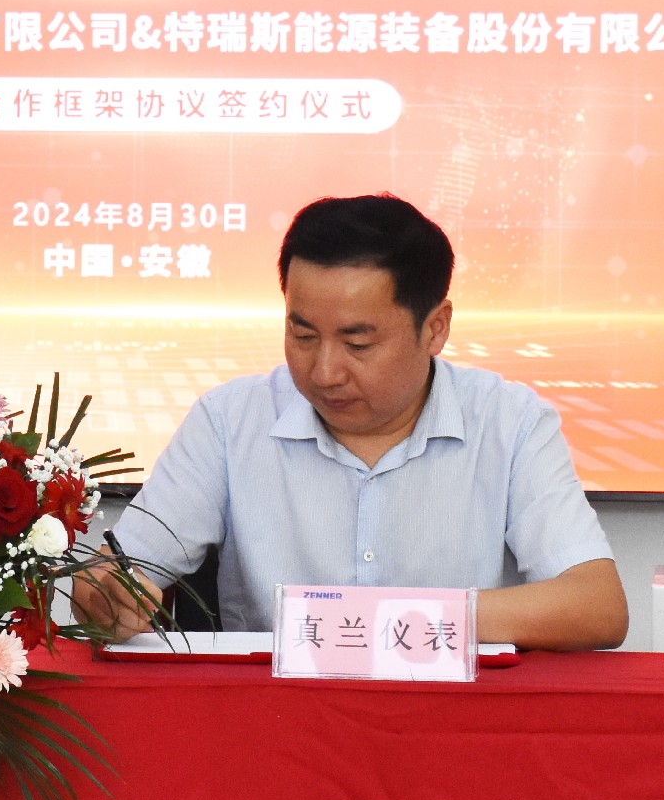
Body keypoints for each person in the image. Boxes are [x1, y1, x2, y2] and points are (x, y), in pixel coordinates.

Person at [73, 193, 628, 650]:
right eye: (302, 335)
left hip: (451, 722)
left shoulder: (510, 422)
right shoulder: (229, 421)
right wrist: (104, 597)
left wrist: (395, 625)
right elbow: (112, 575)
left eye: (357, 344)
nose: (324, 372)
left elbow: (597, 606)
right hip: (274, 722)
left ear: (435, 328)